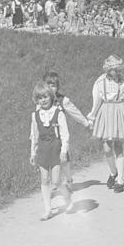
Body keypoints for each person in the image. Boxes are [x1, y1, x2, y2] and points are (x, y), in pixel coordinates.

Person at [87, 55, 124, 193]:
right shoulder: (100, 82)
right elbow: (96, 101)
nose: (117, 72)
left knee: (118, 147)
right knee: (107, 148)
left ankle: (121, 181)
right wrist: (92, 116)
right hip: (106, 112)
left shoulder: (122, 81)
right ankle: (114, 172)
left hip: (119, 112)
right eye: (114, 70)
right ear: (108, 69)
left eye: (119, 70)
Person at [30, 83, 73, 220]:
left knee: (55, 181)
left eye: (45, 97)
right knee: (44, 179)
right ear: (36, 100)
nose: (43, 100)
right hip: (42, 149)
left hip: (55, 148)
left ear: (51, 96)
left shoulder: (58, 113)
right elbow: (34, 135)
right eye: (39, 98)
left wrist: (64, 151)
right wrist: (33, 152)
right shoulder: (35, 115)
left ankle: (67, 198)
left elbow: (65, 134)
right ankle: (48, 209)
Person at [43, 71, 92, 191]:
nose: (50, 88)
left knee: (64, 160)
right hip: (47, 137)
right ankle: (56, 182)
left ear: (57, 87)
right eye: (47, 85)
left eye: (53, 85)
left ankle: (69, 178)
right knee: (50, 161)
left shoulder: (63, 100)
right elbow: (37, 119)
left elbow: (75, 112)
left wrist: (86, 123)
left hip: (60, 136)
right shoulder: (41, 102)